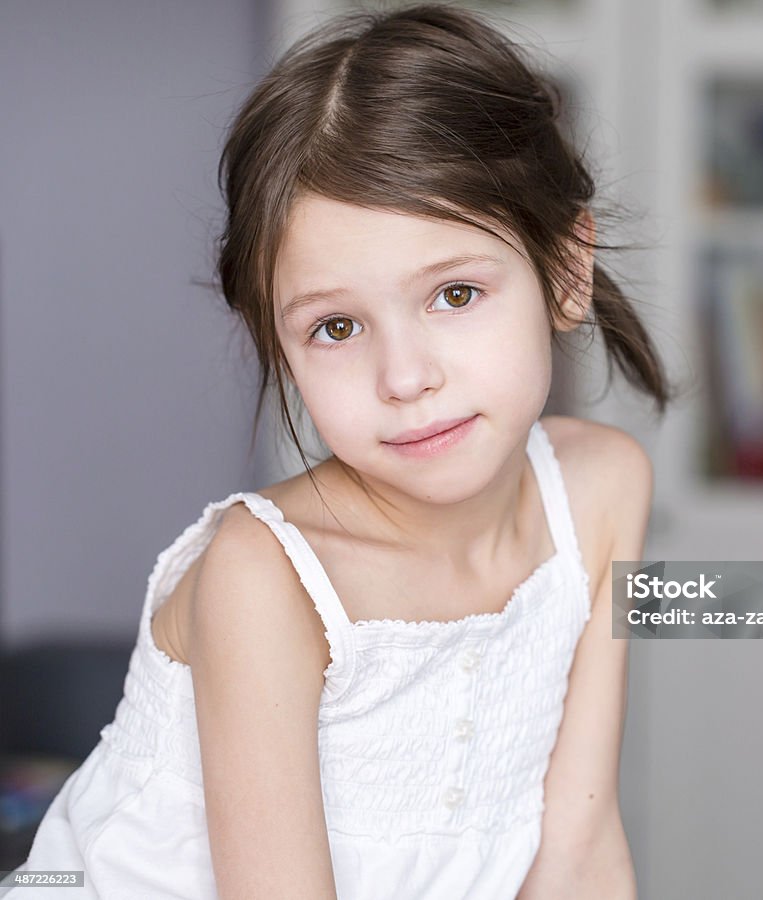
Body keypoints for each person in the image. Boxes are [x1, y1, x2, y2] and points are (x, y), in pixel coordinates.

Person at [7, 4, 678, 898]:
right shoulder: (267, 576)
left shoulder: (601, 490)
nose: (403, 377)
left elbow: (579, 849)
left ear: (565, 270)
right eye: (336, 325)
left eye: (455, 294)